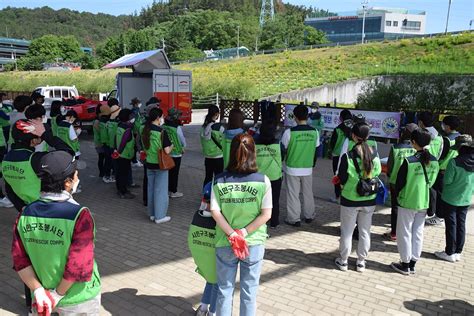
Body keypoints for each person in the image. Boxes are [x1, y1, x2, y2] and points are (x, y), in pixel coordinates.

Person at [12, 151, 101, 315]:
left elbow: (20, 261)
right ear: (68, 183)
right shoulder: (80, 215)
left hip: (42, 298)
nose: (77, 178)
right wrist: (57, 294)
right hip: (77, 298)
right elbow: (79, 265)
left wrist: (38, 291)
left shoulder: (25, 214)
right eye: (75, 174)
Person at [210, 133, 272, 316]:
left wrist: (232, 234)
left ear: (232, 152)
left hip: (225, 241)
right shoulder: (263, 181)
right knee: (249, 291)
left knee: (224, 289)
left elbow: (215, 211)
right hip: (253, 242)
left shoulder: (219, 180)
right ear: (254, 152)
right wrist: (243, 233)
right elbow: (266, 214)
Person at [390, 128, 439, 275]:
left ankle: (404, 264)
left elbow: (399, 183)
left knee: (404, 232)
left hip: (407, 201)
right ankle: (412, 263)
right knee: (418, 232)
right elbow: (432, 182)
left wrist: (398, 195)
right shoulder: (435, 161)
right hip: (424, 201)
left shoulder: (409, 161)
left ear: (413, 143)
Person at [334, 122, 381, 272]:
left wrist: (344, 187)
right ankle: (361, 262)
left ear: (353, 136)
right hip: (369, 198)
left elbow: (341, 177)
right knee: (365, 231)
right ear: (367, 137)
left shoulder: (348, 156)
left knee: (346, 232)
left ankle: (343, 261)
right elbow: (378, 172)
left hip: (350, 199)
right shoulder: (374, 154)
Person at [434, 135, 473, 263]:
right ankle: (458, 252)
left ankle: (449, 251)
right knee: (461, 224)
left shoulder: (454, 162)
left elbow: (447, 181)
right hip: (466, 197)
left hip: (451, 197)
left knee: (451, 224)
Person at [281, 104, 319, 227]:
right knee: (308, 192)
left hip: (292, 167)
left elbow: (283, 149)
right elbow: (316, 150)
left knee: (293, 194)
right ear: (307, 116)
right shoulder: (315, 132)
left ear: (295, 117)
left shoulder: (289, 132)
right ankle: (309, 215)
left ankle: (294, 218)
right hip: (307, 168)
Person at [188, 182, 218, 316]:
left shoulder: (197, 216)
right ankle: (213, 312)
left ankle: (203, 308)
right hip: (218, 259)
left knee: (210, 280)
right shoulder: (220, 220)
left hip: (204, 260)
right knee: (218, 284)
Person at [384, 123, 417, 241]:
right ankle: (406, 232)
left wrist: (389, 176)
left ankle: (394, 233)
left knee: (395, 208)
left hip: (395, 182)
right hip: (411, 182)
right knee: (408, 209)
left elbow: (390, 166)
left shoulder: (395, 147)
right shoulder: (416, 149)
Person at [427, 115, 462, 226]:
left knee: (439, 193)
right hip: (455, 168)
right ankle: (442, 215)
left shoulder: (447, 139)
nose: (442, 126)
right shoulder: (459, 136)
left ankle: (439, 217)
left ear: (447, 126)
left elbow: (441, 155)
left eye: (443, 124)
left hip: (443, 169)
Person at [141, 108, 173, 223]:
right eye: (162, 117)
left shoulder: (145, 129)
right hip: (160, 165)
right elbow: (167, 151)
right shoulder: (161, 132)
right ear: (158, 118)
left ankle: (152, 214)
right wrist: (172, 145)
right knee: (161, 191)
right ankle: (160, 216)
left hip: (149, 163)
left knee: (151, 189)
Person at [255, 120, 283, 228]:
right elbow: (282, 157)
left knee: (259, 201)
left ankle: (261, 222)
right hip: (275, 175)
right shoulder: (277, 143)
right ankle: (274, 222)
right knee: (275, 200)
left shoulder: (254, 143)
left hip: (259, 176)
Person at [329, 109, 352, 203]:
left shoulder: (337, 129)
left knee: (337, 176)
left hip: (337, 156)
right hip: (350, 157)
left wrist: (330, 151)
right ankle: (347, 196)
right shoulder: (353, 129)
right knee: (348, 176)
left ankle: (338, 197)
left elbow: (332, 144)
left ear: (341, 118)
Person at [163, 108, 186, 198]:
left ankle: (167, 190)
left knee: (167, 173)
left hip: (166, 152)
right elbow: (182, 139)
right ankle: (173, 191)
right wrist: (183, 146)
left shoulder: (164, 126)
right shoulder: (177, 127)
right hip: (176, 153)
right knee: (175, 173)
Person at [200, 105, 225, 188]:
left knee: (208, 177)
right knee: (219, 178)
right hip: (218, 157)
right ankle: (217, 196)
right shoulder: (218, 127)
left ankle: (206, 195)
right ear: (217, 114)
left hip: (207, 157)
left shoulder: (203, 127)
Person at [114, 109, 136, 199]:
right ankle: (123, 192)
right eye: (131, 116)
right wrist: (119, 152)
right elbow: (123, 142)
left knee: (119, 173)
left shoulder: (119, 126)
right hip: (124, 155)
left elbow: (115, 139)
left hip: (118, 154)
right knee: (124, 174)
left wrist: (116, 150)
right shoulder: (127, 129)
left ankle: (120, 189)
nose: (133, 118)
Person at [105, 99, 121, 182]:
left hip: (110, 144)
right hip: (117, 144)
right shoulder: (118, 123)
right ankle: (114, 175)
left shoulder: (108, 121)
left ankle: (110, 175)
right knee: (115, 161)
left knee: (111, 160)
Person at [98, 103, 113, 183]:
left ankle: (105, 174)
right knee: (108, 161)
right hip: (108, 143)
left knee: (106, 160)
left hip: (104, 143)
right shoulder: (106, 122)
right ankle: (107, 176)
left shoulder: (101, 120)